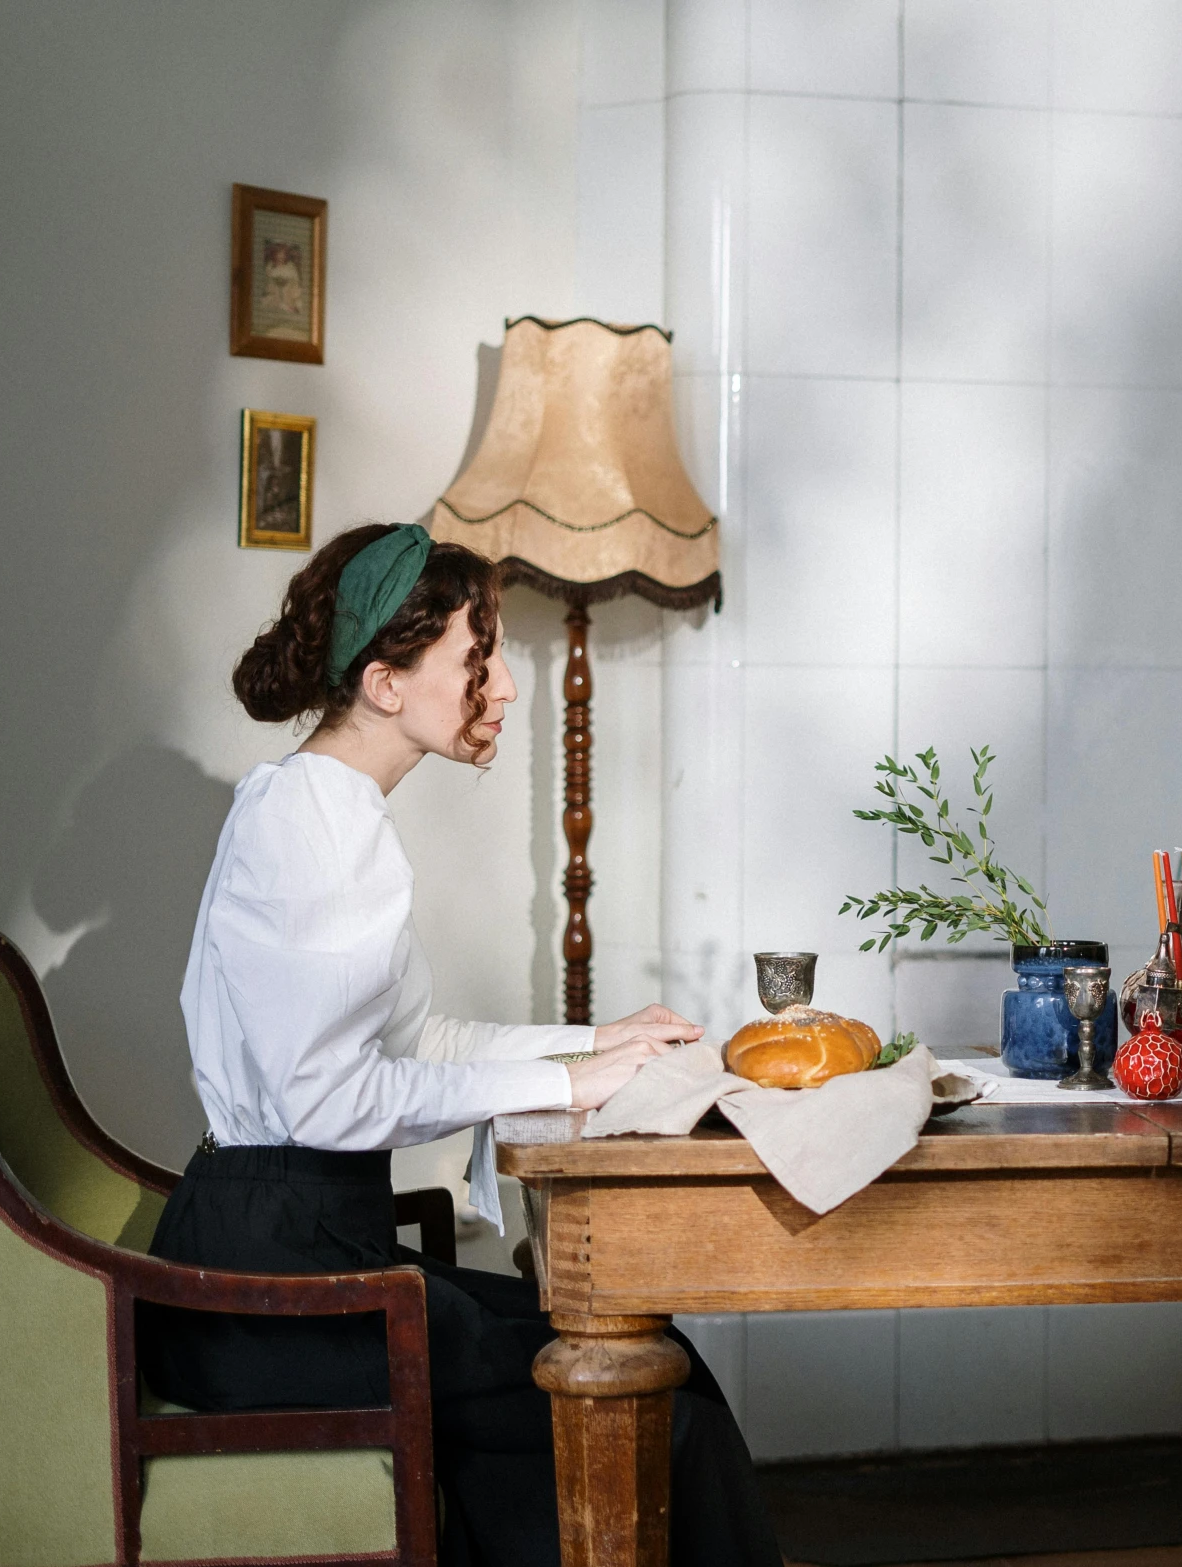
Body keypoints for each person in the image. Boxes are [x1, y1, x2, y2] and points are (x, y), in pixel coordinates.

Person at [146, 522, 781, 1567]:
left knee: (658, 1365)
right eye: (475, 658)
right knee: (654, 1410)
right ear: (386, 682)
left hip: (299, 1257)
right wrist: (564, 1079)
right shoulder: (313, 824)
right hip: (267, 1295)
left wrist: (593, 1039)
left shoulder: (320, 807)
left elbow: (412, 1039)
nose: (505, 687)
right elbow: (325, 1103)